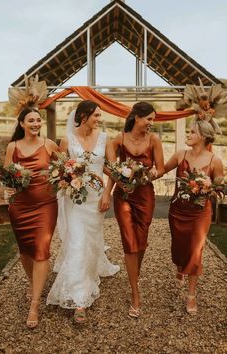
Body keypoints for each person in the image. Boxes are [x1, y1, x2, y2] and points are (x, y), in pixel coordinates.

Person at [46, 100, 119, 323]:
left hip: (97, 200)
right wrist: (67, 179)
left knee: (91, 240)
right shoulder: (67, 139)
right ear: (84, 116)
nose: (99, 119)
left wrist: (107, 195)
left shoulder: (105, 139)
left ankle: (90, 269)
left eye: (100, 115)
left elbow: (113, 170)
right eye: (96, 115)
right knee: (77, 241)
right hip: (74, 200)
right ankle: (79, 299)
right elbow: (59, 168)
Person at [4, 106, 59, 328]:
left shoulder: (49, 145)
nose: (36, 124)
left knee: (41, 249)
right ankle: (32, 282)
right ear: (22, 124)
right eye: (31, 120)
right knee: (26, 251)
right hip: (20, 206)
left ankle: (35, 304)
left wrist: (64, 180)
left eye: (38, 120)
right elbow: (7, 176)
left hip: (46, 205)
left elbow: (68, 167)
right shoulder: (12, 147)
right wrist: (7, 189)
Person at [109, 101, 164, 318]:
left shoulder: (155, 140)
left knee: (141, 242)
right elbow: (111, 168)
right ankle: (135, 294)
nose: (151, 123)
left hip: (145, 196)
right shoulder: (119, 139)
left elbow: (160, 169)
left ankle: (135, 273)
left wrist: (144, 175)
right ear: (137, 118)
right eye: (149, 119)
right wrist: (120, 178)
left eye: (153, 119)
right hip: (123, 196)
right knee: (130, 243)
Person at [165, 119, 224, 314]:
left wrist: (212, 189)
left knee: (196, 250)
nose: (188, 135)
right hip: (177, 211)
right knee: (179, 246)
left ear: (203, 136)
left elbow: (219, 187)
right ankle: (180, 265)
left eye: (192, 132)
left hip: (200, 213)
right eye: (188, 132)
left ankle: (191, 295)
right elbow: (161, 170)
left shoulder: (215, 160)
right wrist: (137, 176)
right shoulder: (180, 155)